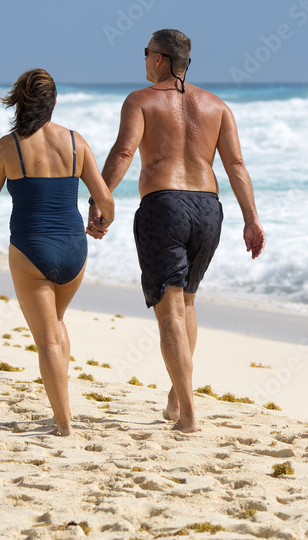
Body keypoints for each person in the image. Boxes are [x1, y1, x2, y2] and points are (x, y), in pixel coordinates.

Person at [87, 29, 265, 433]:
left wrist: (100, 198)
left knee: (168, 306)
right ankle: (176, 396)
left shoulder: (141, 100)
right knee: (186, 302)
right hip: (208, 208)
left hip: (164, 205)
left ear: (161, 59)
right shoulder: (217, 106)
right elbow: (236, 166)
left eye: (146, 53)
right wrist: (251, 218)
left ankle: (188, 415)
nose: (144, 59)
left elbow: (124, 153)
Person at [0, 68, 114, 436]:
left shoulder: (9, 146)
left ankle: (63, 422)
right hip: (74, 251)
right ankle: (64, 407)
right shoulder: (75, 142)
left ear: (20, 102)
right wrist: (100, 223)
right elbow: (106, 200)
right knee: (57, 325)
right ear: (54, 102)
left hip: (30, 249)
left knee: (47, 339)